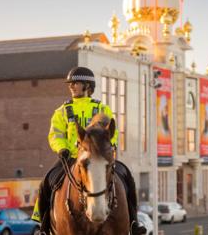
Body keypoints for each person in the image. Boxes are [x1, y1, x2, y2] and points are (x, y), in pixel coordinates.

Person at [32, 67, 146, 235]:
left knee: (126, 176)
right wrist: (61, 148)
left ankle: (134, 223)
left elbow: (111, 133)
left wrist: (106, 149)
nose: (71, 86)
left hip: (99, 157)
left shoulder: (102, 109)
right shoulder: (62, 111)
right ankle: (43, 227)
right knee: (47, 181)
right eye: (70, 83)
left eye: (75, 83)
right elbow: (55, 134)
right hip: (71, 157)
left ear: (87, 85)